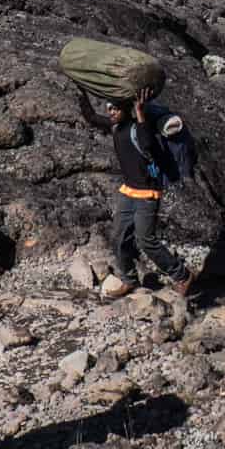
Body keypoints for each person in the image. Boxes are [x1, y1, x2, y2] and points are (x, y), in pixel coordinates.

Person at [78, 85, 194, 299]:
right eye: (109, 109)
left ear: (126, 109)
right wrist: (81, 93)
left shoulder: (137, 128)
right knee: (119, 237)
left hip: (148, 193)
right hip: (128, 190)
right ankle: (129, 280)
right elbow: (92, 118)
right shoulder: (115, 127)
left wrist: (140, 113)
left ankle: (182, 275)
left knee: (145, 240)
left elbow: (148, 145)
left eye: (115, 109)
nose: (111, 112)